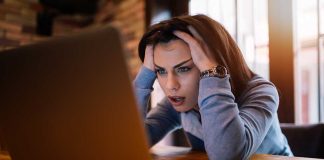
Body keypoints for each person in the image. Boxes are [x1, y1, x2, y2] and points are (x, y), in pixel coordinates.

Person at [133, 14, 293, 160]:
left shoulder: (262, 92)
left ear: (211, 64)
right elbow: (131, 142)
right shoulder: (180, 99)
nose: (170, 85)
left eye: (184, 69)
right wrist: (144, 76)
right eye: (160, 70)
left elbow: (226, 156)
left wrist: (212, 72)